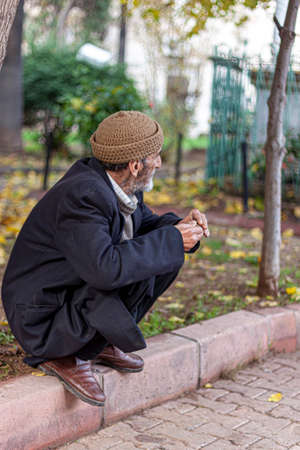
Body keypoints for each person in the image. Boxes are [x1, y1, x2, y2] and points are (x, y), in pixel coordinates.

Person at [1, 110, 209, 407]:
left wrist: (180, 228)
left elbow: (145, 226)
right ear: (136, 165)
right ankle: (66, 354)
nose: (160, 163)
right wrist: (174, 240)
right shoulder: (84, 196)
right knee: (156, 253)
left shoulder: (117, 184)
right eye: (156, 156)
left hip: (68, 293)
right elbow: (105, 270)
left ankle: (96, 342)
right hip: (41, 316)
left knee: (165, 254)